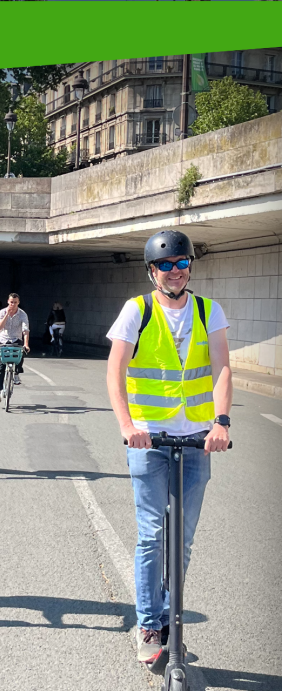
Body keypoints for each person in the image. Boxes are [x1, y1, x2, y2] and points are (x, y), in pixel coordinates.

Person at [106, 230, 232, 664]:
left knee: (183, 542)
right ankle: (148, 623)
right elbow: (115, 372)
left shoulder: (208, 311)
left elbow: (222, 368)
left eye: (182, 263)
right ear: (152, 271)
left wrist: (221, 422)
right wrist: (128, 426)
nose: (175, 271)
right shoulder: (136, 310)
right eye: (166, 265)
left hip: (197, 440)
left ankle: (166, 617)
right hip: (149, 439)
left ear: (190, 267)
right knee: (152, 536)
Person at [0, 293, 30, 402]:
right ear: (8, 301)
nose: (13, 304)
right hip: (3, 340)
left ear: (18, 303)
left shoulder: (22, 314)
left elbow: (25, 330)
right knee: (1, 367)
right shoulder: (2, 312)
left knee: (21, 352)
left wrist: (26, 344)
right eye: (11, 302)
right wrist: (6, 315)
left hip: (16, 339)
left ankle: (17, 373)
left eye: (15, 302)